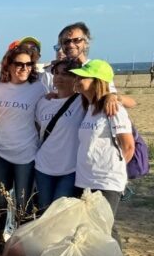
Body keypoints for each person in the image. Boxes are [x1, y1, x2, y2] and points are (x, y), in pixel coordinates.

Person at [0, 43, 48, 242]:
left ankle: (21, 241)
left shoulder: (39, 87)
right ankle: (1, 238)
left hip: (26, 153)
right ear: (8, 64)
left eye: (29, 64)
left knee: (24, 201)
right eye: (19, 64)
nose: (24, 68)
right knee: (0, 199)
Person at [72, 59, 135, 220]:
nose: (77, 80)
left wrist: (113, 169)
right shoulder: (89, 107)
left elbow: (128, 147)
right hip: (84, 179)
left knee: (104, 229)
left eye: (83, 78)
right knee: (87, 228)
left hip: (106, 181)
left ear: (97, 82)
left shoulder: (114, 108)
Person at [34, 58, 84, 213]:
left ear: (76, 77)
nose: (60, 78)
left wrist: (111, 97)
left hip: (70, 169)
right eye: (56, 73)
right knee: (44, 211)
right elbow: (38, 130)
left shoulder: (83, 101)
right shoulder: (43, 102)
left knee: (59, 213)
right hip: (43, 166)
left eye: (66, 74)